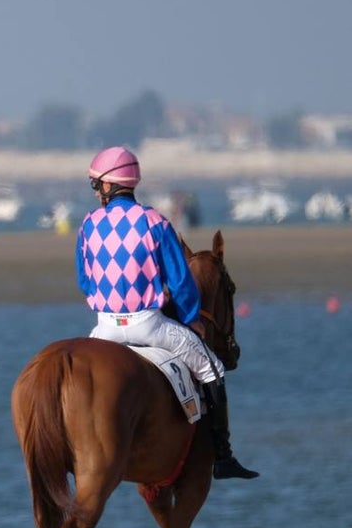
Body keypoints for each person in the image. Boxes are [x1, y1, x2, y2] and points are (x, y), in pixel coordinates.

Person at [76, 147, 258, 480]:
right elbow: (181, 281)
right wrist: (192, 320)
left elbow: (84, 280)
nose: (96, 191)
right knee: (213, 368)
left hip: (104, 330)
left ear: (108, 184)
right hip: (149, 325)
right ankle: (223, 457)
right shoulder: (155, 222)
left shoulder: (88, 224)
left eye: (96, 185)